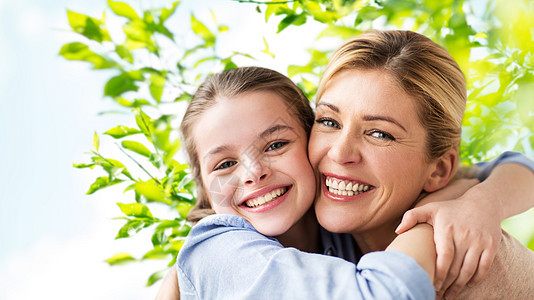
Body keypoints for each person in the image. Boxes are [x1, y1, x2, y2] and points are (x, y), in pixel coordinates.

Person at [154, 60, 534, 298]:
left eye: (276, 144)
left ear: (310, 141)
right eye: (223, 165)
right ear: (204, 189)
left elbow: (506, 166)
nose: (255, 173)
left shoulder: (339, 220)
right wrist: (435, 214)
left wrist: (481, 200)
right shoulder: (215, 253)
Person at [308, 29, 534, 299]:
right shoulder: (288, 215)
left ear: (438, 169)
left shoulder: (465, 264)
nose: (339, 152)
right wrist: (487, 199)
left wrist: (485, 202)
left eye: (380, 133)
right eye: (329, 121)